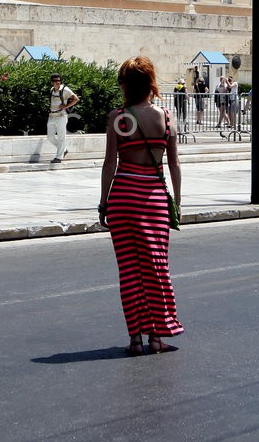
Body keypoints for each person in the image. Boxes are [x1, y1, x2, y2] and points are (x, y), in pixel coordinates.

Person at [99, 56, 183, 356]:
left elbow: (110, 163)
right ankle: (157, 337)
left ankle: (135, 338)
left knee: (129, 271)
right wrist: (178, 200)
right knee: (156, 267)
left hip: (122, 197)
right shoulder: (166, 117)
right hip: (153, 198)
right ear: (151, 84)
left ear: (125, 86)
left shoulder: (119, 118)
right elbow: (173, 164)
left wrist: (103, 202)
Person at [47, 73, 79, 164]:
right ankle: (63, 150)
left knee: (61, 137)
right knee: (50, 137)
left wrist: (66, 106)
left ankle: (59, 157)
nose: (57, 82)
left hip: (61, 116)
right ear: (52, 82)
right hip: (52, 116)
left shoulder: (65, 89)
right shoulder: (51, 90)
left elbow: (76, 99)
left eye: (59, 80)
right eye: (55, 81)